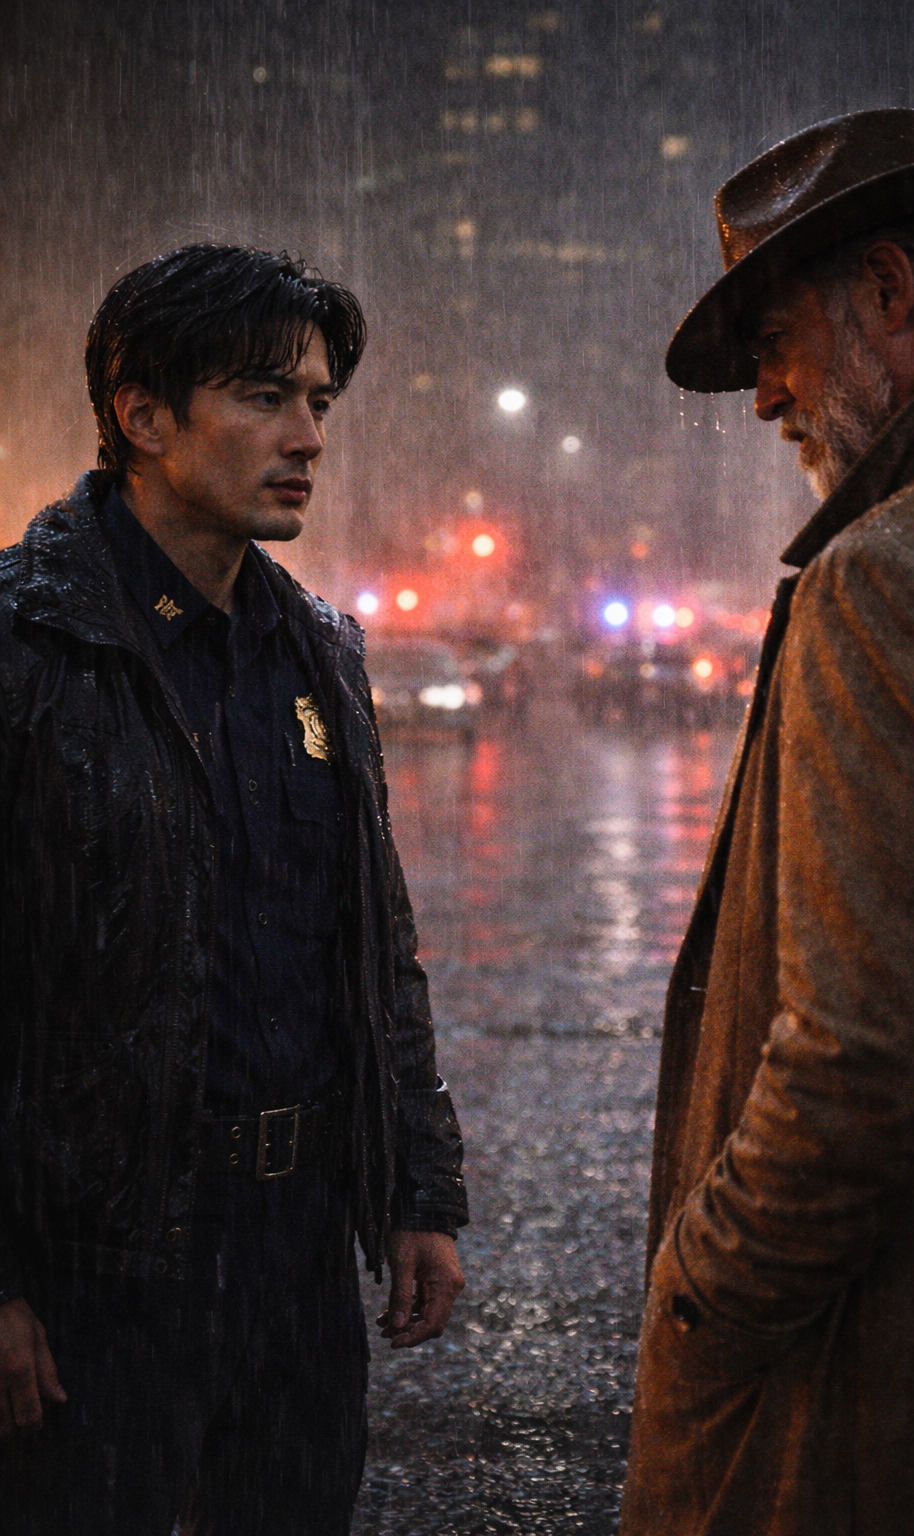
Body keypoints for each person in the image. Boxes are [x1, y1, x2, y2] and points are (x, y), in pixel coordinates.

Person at [0, 245, 469, 1535]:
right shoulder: (24, 643)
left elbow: (376, 948)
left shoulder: (319, 650)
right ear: (142, 415)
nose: (308, 435)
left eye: (318, 401)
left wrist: (417, 1194)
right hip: (96, 1271)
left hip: (297, 1257)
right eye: (264, 396)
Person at [620, 108, 914, 1535]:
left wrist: (701, 1294)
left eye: (777, 341)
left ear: (893, 293)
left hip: (905, 1370)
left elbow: (868, 1058)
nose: (765, 401)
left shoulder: (898, 577)